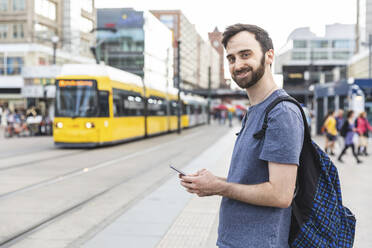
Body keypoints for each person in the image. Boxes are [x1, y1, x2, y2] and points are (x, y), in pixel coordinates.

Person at [180, 24, 304, 248]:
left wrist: (219, 188)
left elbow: (280, 194)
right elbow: (254, 182)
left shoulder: (281, 113)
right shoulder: (256, 110)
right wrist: (212, 182)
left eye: (245, 55)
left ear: (269, 56)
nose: (237, 64)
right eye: (231, 58)